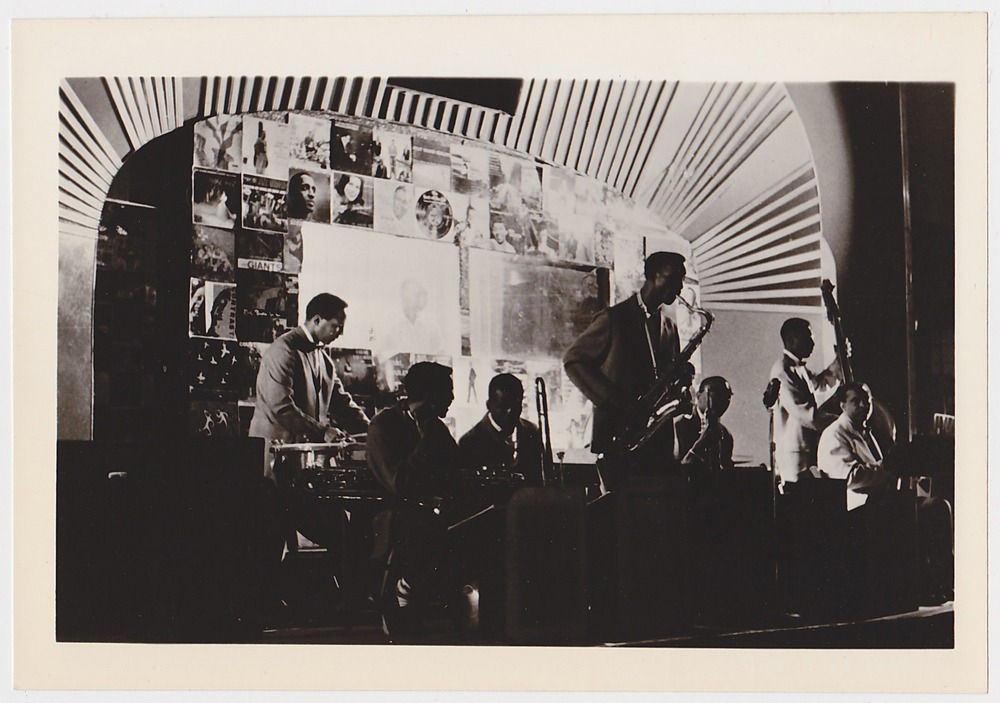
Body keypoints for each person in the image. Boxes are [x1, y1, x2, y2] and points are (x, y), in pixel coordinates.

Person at [563, 251, 693, 483]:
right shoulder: (614, 318)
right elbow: (574, 360)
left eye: (682, 280)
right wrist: (612, 399)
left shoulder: (670, 326)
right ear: (654, 275)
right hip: (619, 439)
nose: (680, 287)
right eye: (675, 278)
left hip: (658, 444)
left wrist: (681, 380)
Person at [366, 362, 461, 639]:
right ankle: (401, 591)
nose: (452, 398)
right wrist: (427, 441)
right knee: (425, 526)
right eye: (448, 391)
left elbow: (455, 472)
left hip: (431, 512)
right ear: (431, 395)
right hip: (390, 515)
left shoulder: (436, 429)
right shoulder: (384, 426)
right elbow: (398, 484)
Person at [768, 317, 843, 489]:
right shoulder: (782, 371)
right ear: (791, 339)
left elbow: (820, 383)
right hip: (795, 456)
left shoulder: (797, 368)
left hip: (804, 451)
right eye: (808, 337)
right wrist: (843, 422)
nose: (813, 342)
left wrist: (839, 361)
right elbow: (807, 416)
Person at [458, 373, 544, 486]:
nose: (510, 411)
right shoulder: (469, 442)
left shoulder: (532, 432)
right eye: (504, 406)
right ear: (489, 405)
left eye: (516, 405)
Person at [675, 376, 735, 473]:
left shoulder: (725, 433)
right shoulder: (679, 425)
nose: (723, 402)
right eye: (717, 395)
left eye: (727, 398)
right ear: (698, 396)